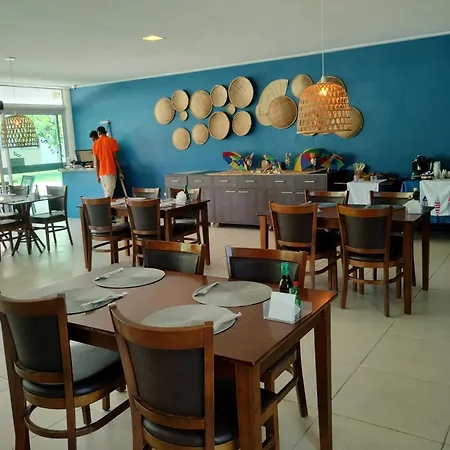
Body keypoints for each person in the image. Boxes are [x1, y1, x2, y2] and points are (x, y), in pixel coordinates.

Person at [92, 126, 124, 198]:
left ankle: (106, 205)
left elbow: (97, 162)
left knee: (107, 193)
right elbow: (115, 159)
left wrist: (97, 176)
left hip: (101, 173)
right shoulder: (112, 141)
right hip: (111, 171)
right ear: (105, 132)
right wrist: (120, 172)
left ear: (98, 133)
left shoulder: (95, 144)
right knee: (109, 195)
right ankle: (106, 205)